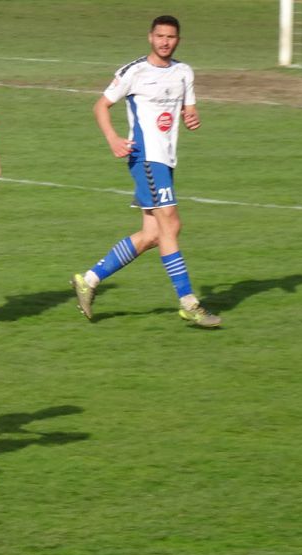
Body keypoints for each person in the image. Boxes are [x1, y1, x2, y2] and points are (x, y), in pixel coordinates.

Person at [70, 16, 220, 328]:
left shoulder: (184, 72)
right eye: (160, 36)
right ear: (150, 37)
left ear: (178, 39)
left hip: (166, 158)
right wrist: (113, 139)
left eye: (171, 37)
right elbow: (100, 106)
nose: (165, 41)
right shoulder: (134, 71)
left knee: (153, 234)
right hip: (145, 157)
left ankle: (89, 279)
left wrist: (192, 118)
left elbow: (189, 110)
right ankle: (188, 302)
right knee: (171, 224)